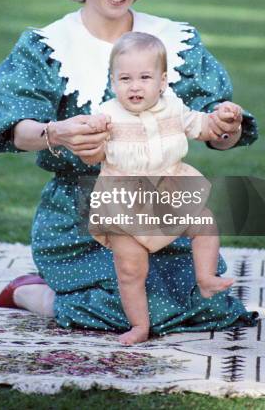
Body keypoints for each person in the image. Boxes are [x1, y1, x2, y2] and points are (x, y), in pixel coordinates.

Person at [0, 0, 259, 336]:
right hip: (80, 218)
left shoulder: (172, 43)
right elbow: (16, 129)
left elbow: (214, 131)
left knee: (211, 303)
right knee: (126, 304)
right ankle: (32, 293)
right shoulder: (46, 46)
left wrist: (227, 127)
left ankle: (85, 299)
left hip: (163, 209)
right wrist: (57, 134)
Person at [87, 31, 243, 344]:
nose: (134, 86)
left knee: (206, 223)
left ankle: (206, 277)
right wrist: (88, 142)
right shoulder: (105, 116)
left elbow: (202, 127)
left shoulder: (174, 107)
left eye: (145, 77)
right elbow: (92, 155)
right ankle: (139, 326)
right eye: (124, 78)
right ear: (112, 81)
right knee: (130, 268)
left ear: (162, 81)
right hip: (123, 203)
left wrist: (224, 117)